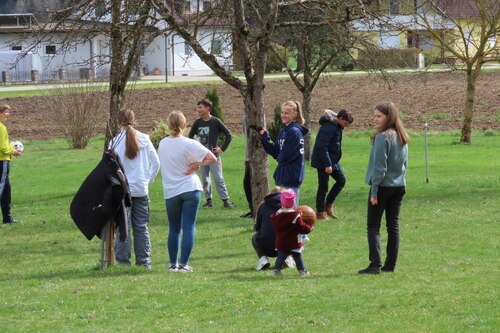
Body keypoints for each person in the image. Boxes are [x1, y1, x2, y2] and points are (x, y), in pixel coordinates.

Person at [159, 111, 217, 273]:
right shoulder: (189, 143)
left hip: (171, 191)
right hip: (190, 188)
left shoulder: (163, 143)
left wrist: (196, 163)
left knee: (174, 229)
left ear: (169, 125)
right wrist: (198, 163)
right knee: (189, 227)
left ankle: (173, 264)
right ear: (185, 125)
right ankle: (184, 264)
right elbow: (212, 157)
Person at [358, 102, 410, 275]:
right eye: (374, 116)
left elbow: (380, 167)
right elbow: (405, 164)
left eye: (379, 116)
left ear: (389, 117)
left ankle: (375, 264)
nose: (375, 119)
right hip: (399, 186)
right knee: (393, 226)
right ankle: (390, 265)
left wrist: (374, 191)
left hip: (383, 187)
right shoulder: (402, 136)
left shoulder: (383, 137)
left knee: (373, 225)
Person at [109, 108, 160, 268]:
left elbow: (112, 169)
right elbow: (156, 163)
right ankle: (144, 262)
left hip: (123, 190)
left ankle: (123, 262)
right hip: (141, 189)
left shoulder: (114, 142)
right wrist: (147, 180)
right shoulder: (145, 139)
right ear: (134, 118)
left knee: (123, 227)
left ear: (118, 121)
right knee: (141, 226)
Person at [259, 100, 309, 203]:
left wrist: (278, 156)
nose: (283, 115)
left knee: (290, 210)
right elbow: (275, 151)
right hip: (283, 175)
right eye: (282, 112)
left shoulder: (294, 132)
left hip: (291, 176)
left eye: (287, 113)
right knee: (283, 209)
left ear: (294, 114)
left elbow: (285, 156)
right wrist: (265, 138)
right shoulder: (284, 131)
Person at [188, 99, 234, 209]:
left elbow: (229, 135)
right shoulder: (197, 123)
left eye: (200, 107)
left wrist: (221, 149)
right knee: (205, 179)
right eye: (198, 107)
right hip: (201, 157)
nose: (198, 109)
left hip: (214, 157)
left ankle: (226, 201)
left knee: (218, 178)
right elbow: (190, 138)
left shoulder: (216, 121)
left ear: (208, 108)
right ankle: (209, 201)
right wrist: (195, 151)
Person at [311, 109, 353, 220]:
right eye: (346, 123)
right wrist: (327, 164)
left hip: (332, 160)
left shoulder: (337, 126)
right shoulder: (329, 127)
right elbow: (322, 147)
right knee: (323, 186)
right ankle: (320, 212)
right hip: (323, 160)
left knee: (341, 180)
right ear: (340, 119)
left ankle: (328, 205)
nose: (346, 126)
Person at [271, 189, 313, 277]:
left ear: (282, 202)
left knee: (281, 257)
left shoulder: (277, 215)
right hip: (293, 241)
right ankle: (302, 271)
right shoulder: (296, 216)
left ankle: (276, 270)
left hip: (281, 241)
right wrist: (310, 228)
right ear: (293, 202)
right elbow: (302, 228)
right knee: (297, 257)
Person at [0, 103, 22, 224]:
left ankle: (7, 218)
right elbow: (3, 148)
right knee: (1, 189)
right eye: (6, 112)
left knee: (6, 190)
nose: (8, 114)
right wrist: (13, 150)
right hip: (2, 162)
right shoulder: (1, 128)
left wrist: (11, 145)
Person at [252, 187, 281, 270]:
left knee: (254, 237)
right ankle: (286, 258)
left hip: (265, 245)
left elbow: (257, 227)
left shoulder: (262, 206)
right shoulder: (288, 206)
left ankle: (263, 259)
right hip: (283, 245)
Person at [240, 115, 253, 218]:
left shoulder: (255, 115)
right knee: (247, 184)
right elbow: (247, 141)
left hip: (254, 158)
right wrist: (247, 156)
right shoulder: (245, 117)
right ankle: (252, 209)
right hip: (249, 157)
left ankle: (254, 209)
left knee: (248, 183)